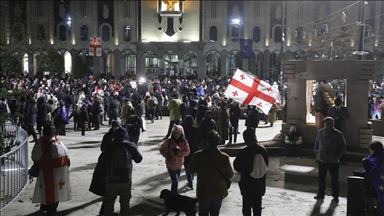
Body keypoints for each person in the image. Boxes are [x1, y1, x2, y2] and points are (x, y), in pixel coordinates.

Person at [187, 130, 234, 216]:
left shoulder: (198, 155)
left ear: (207, 141)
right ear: (218, 141)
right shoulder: (224, 157)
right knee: (215, 213)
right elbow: (230, 175)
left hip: (204, 190)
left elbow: (190, 170)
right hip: (218, 190)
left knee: (203, 212)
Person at [31, 123, 71, 215]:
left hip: (44, 171)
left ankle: (45, 205)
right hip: (56, 172)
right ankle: (52, 208)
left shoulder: (39, 142)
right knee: (54, 191)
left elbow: (35, 156)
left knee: (45, 190)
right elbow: (65, 156)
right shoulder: (57, 143)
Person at [102, 127, 143, 216]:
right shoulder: (130, 145)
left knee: (109, 200)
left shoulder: (110, 146)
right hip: (126, 178)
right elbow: (139, 159)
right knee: (125, 200)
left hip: (112, 178)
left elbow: (102, 161)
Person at [233, 127, 268, 216]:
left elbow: (236, 166)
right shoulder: (263, 150)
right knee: (257, 208)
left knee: (246, 208)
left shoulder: (244, 152)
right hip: (259, 185)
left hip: (247, 185)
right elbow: (266, 165)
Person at [314, 117, 346, 203]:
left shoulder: (337, 134)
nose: (326, 125)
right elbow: (317, 144)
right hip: (322, 160)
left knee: (334, 179)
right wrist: (317, 155)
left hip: (333, 161)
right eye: (324, 123)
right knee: (321, 178)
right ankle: (321, 193)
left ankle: (335, 195)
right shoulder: (320, 132)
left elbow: (342, 146)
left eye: (328, 124)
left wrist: (337, 156)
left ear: (332, 124)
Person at [159, 125, 190, 194]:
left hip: (179, 164)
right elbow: (161, 149)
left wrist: (181, 153)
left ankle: (172, 194)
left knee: (176, 181)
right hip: (171, 164)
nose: (176, 135)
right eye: (175, 133)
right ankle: (174, 194)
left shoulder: (184, 142)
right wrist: (167, 156)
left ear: (181, 134)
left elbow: (188, 151)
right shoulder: (169, 142)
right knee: (175, 181)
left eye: (178, 133)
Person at [362, 141, 384, 215]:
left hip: (373, 188)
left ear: (373, 150)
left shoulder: (368, 161)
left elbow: (369, 173)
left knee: (373, 207)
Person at [181, 115, 202, 189]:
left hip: (185, 149)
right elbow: (200, 138)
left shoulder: (183, 129)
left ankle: (190, 182)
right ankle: (191, 179)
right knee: (192, 164)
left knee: (187, 165)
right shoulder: (196, 128)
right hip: (194, 148)